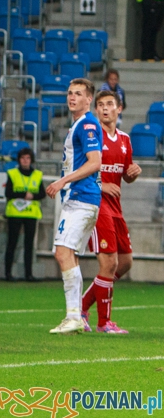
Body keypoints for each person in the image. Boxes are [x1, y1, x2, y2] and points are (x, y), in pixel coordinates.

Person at [45, 78, 102, 335]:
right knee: (71, 256)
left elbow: (95, 162)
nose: (72, 97)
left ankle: (73, 316)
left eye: (78, 94)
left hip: (81, 197)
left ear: (89, 99)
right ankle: (75, 315)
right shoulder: (77, 125)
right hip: (78, 198)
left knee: (62, 252)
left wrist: (62, 181)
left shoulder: (87, 124)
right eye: (70, 93)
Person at [82, 90, 141, 333]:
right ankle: (104, 322)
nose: (105, 109)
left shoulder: (125, 140)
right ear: (96, 110)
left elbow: (124, 176)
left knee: (125, 263)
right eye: (100, 105)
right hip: (97, 204)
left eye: (109, 104)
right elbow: (79, 169)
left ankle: (81, 305)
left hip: (116, 208)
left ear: (119, 109)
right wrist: (102, 184)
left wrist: (131, 175)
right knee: (109, 262)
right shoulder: (91, 136)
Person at [4, 147, 45, 282]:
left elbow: (42, 193)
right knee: (12, 243)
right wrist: (23, 194)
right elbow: (8, 193)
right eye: (23, 158)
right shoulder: (12, 173)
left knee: (29, 245)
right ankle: (7, 273)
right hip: (15, 213)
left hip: (31, 214)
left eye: (28, 158)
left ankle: (29, 274)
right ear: (19, 160)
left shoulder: (37, 174)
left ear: (31, 160)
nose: (25, 161)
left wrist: (32, 196)